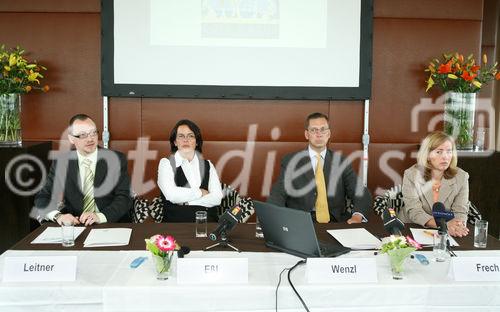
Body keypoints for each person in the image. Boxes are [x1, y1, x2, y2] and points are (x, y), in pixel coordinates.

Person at [267, 112, 371, 223]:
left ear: (329, 133)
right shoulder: (291, 161)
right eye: (314, 130)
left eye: (323, 129)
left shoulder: (341, 162)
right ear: (307, 134)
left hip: (335, 222)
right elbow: (278, 194)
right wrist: (274, 219)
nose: (319, 134)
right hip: (301, 223)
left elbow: (361, 193)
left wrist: (357, 216)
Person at [34, 114, 132, 225]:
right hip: (77, 224)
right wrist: (59, 216)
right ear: (71, 138)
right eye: (83, 135)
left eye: (93, 133)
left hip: (111, 222)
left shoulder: (116, 159)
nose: (90, 139)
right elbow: (43, 197)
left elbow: (124, 198)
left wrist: (100, 217)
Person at [399, 131, 469, 237]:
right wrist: (444, 224)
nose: (445, 157)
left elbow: (460, 210)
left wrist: (458, 226)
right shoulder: (411, 174)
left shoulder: (462, 177)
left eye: (449, 151)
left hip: (447, 230)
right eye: (439, 152)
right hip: (411, 227)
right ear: (427, 155)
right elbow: (414, 211)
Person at [157, 119, 223, 222]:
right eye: (181, 136)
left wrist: (187, 203)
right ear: (175, 142)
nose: (185, 140)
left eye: (190, 136)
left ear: (197, 142)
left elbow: (217, 198)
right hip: (176, 225)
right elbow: (172, 195)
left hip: (208, 223)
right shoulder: (166, 164)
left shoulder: (208, 165)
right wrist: (200, 193)